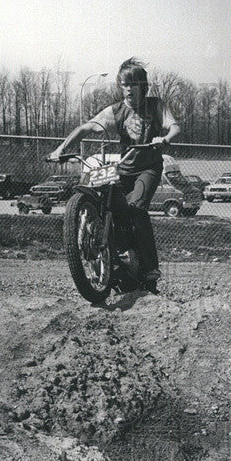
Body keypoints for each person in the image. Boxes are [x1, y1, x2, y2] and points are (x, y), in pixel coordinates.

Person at [48, 57, 181, 289]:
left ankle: (151, 267)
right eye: (124, 85)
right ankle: (116, 257)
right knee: (107, 203)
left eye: (134, 84)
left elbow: (175, 126)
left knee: (137, 208)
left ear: (144, 86)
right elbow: (86, 127)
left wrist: (165, 138)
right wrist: (61, 149)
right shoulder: (116, 111)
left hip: (148, 167)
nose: (129, 89)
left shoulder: (155, 106)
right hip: (125, 168)